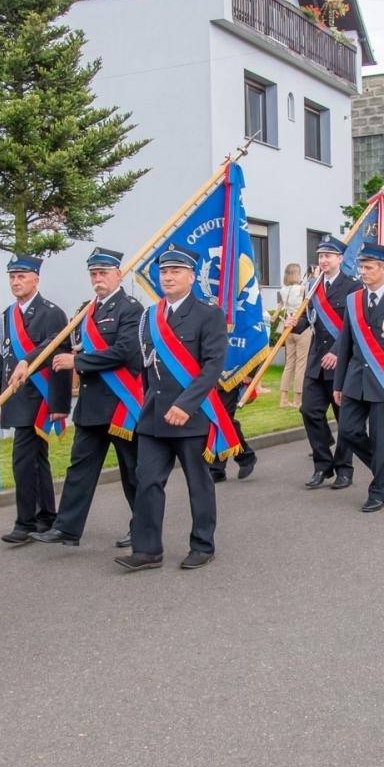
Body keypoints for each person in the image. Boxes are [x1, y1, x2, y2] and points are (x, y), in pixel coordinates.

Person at [116, 244, 230, 571]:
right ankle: (147, 550)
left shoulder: (208, 314)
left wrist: (185, 405)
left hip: (190, 416)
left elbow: (212, 366)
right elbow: (145, 364)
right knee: (147, 480)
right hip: (154, 415)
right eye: (164, 271)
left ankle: (203, 544)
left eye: (175, 271)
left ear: (191, 277)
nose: (168, 277)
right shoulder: (150, 315)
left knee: (199, 483)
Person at [39, 248, 146, 550]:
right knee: (79, 469)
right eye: (94, 274)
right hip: (91, 405)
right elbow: (65, 342)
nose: (98, 279)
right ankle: (67, 529)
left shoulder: (131, 309)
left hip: (120, 404)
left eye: (104, 273)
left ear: (118, 275)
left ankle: (143, 527)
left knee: (132, 472)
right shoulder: (86, 310)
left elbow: (126, 352)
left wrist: (80, 362)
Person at [331, 244, 384, 512]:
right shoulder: (353, 300)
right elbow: (345, 344)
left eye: (369, 267)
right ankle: (382, 463)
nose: (363, 272)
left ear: (383, 269)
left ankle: (378, 490)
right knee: (347, 431)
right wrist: (338, 384)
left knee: (382, 440)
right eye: (362, 267)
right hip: (356, 380)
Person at [0, 254, 73, 544]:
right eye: (13, 277)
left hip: (39, 397)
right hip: (16, 397)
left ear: (35, 279)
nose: (16, 282)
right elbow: (1, 359)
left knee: (23, 461)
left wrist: (60, 404)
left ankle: (24, 521)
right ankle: (46, 516)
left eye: (22, 276)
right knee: (36, 459)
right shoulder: (7, 315)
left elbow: (57, 354)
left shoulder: (51, 312)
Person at [294, 237, 360, 491]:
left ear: (340, 259)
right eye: (320, 256)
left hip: (341, 362)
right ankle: (322, 464)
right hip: (316, 362)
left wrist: (336, 352)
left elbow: (354, 325)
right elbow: (308, 320)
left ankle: (344, 468)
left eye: (328, 256)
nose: (323, 260)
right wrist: (293, 324)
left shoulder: (353, 286)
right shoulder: (312, 286)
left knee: (344, 418)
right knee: (309, 411)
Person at [274, 263, 310, 408]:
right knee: (301, 364)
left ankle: (283, 399)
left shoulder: (282, 290)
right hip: (301, 326)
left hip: (288, 327)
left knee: (289, 364)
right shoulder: (302, 289)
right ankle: (297, 399)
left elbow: (279, 307)